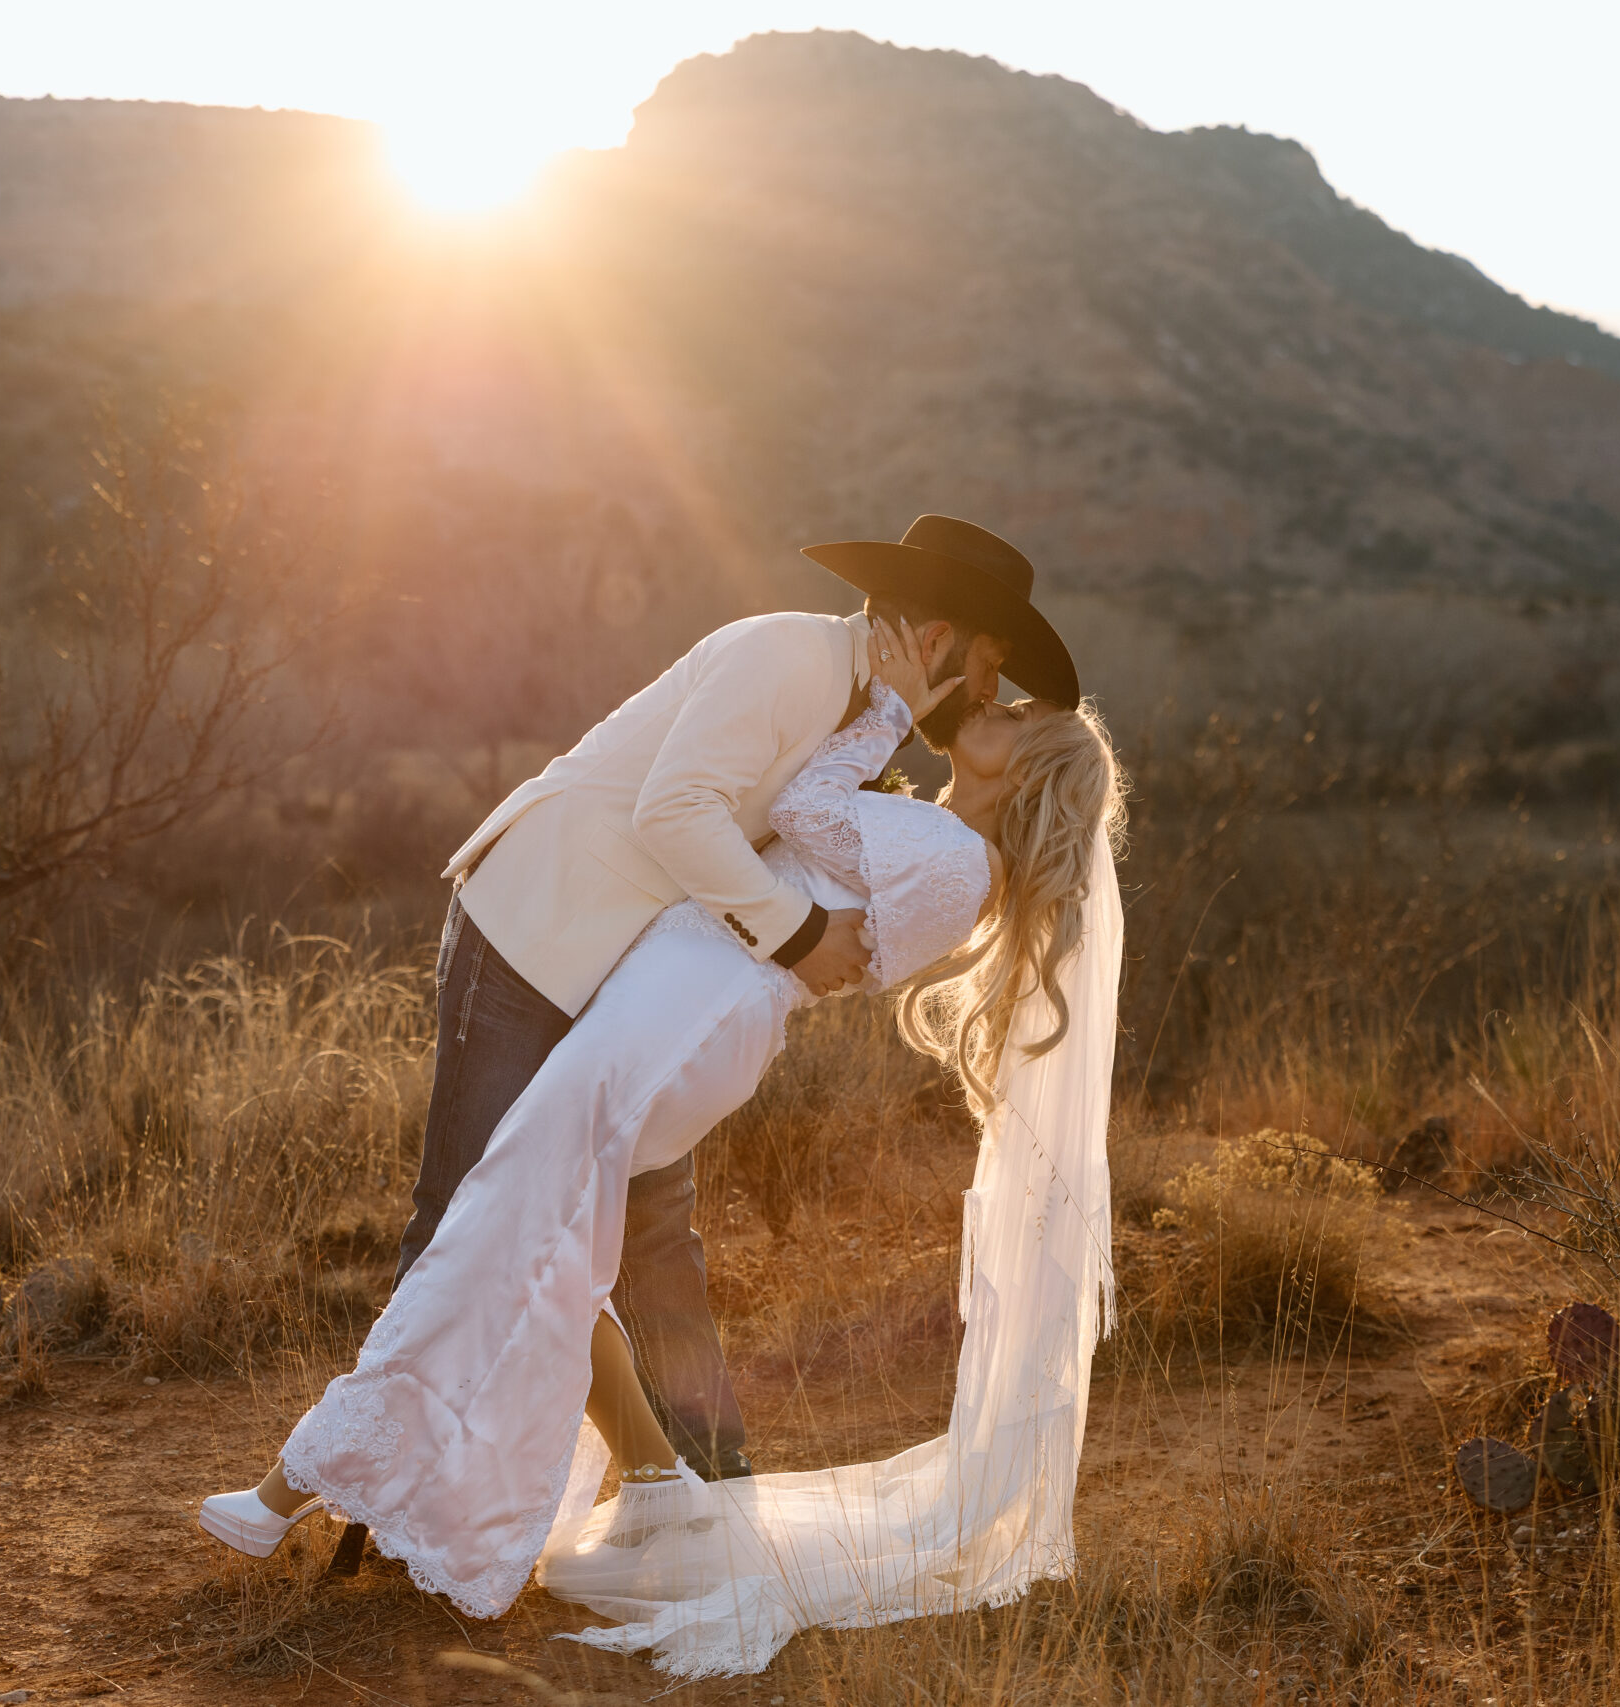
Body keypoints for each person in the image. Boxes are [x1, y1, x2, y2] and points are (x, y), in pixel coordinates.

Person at [196, 522, 1124, 1677]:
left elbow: (781, 834)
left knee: (550, 1227)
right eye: (992, 667)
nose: (992, 692)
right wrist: (799, 916)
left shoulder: (915, 799)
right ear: (939, 636)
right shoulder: (789, 660)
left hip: (667, 992)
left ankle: (641, 1493)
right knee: (493, 1213)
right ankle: (540, 1496)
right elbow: (680, 814)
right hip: (545, 931)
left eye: (1004, 699)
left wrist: (809, 888)